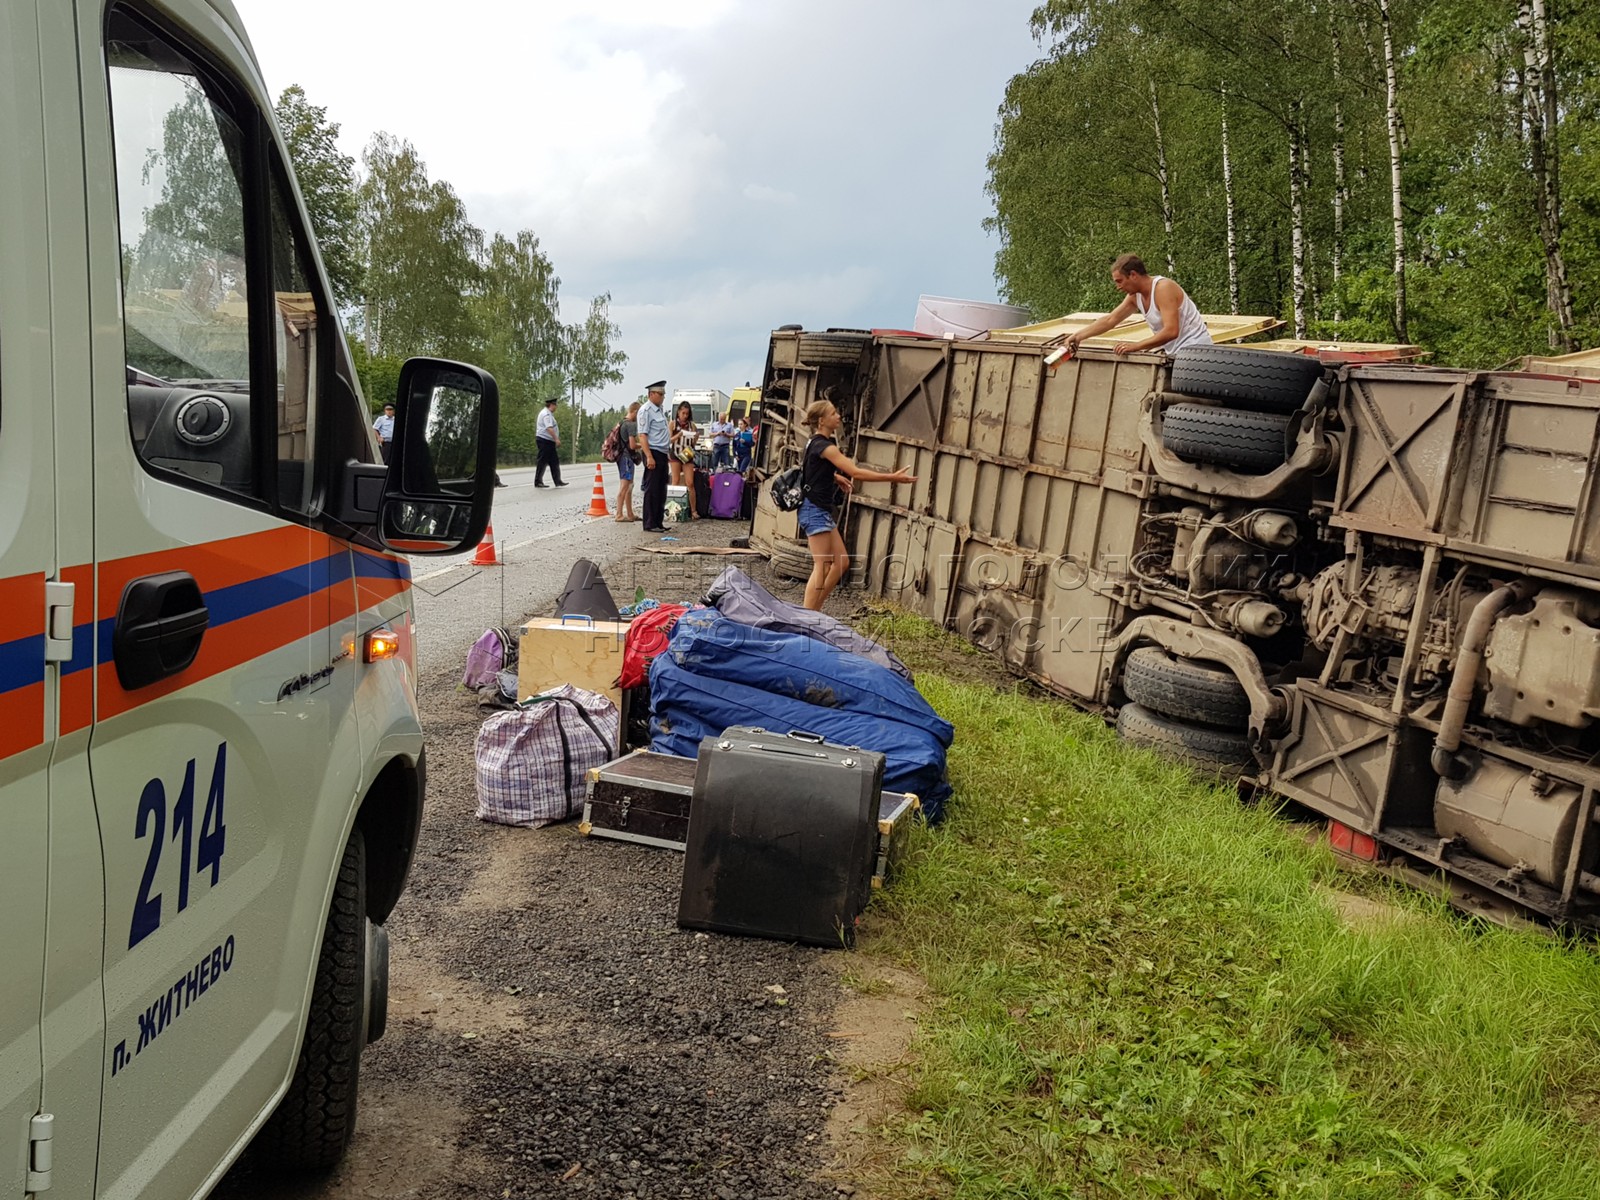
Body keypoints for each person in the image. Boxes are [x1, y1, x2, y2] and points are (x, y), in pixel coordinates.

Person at [797, 397, 916, 612]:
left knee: (841, 563)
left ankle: (813, 610)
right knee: (822, 566)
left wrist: (833, 477)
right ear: (822, 421)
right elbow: (856, 472)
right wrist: (893, 477)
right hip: (813, 510)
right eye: (833, 413)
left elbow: (811, 469)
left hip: (819, 510)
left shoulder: (815, 443)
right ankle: (806, 615)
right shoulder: (825, 446)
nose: (838, 416)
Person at [1059, 254, 1213, 358]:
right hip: (1176, 353)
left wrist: (1136, 346)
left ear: (1133, 275)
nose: (1118, 287)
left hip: (1197, 351)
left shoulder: (1163, 288)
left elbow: (1171, 330)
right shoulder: (1135, 297)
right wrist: (1077, 336)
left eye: (1119, 281)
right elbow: (1110, 319)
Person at [637, 381, 671, 532]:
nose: (663, 397)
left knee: (661, 489)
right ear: (651, 394)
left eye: (664, 394)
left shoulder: (659, 410)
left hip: (662, 452)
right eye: (660, 394)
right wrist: (649, 456)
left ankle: (658, 522)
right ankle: (650, 523)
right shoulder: (645, 410)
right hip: (653, 452)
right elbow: (642, 435)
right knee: (652, 489)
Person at [670, 400, 700, 519]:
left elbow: (693, 443)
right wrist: (678, 435)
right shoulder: (672, 424)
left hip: (687, 453)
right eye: (683, 413)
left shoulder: (691, 425)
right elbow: (669, 440)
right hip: (676, 452)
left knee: (690, 483)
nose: (685, 416)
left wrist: (695, 437)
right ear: (678, 412)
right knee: (675, 481)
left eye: (687, 414)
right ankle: (673, 509)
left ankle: (693, 510)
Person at [613, 401, 641, 522]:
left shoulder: (621, 422)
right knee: (625, 485)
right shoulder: (631, 425)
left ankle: (630, 513)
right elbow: (632, 444)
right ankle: (619, 514)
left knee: (630, 485)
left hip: (622, 456)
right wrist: (644, 445)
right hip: (626, 458)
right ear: (635, 412)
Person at [534, 396, 567, 487]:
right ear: (551, 405)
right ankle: (538, 481)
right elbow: (549, 428)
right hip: (544, 440)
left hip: (548, 441)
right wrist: (556, 439)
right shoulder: (546, 414)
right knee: (542, 461)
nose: (556, 407)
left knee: (554, 461)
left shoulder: (548, 414)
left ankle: (558, 481)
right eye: (555, 405)